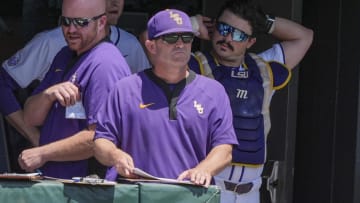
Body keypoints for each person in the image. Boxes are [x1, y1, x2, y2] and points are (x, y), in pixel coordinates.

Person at [93, 8, 238, 187]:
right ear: (151, 46)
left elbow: (224, 149)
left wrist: (205, 169)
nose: (180, 44)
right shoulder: (125, 89)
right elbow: (101, 142)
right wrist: (115, 156)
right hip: (137, 194)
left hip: (189, 195)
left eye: (186, 38)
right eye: (171, 38)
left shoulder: (214, 91)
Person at [0, 0, 149, 171]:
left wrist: (43, 153)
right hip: (57, 181)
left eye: (81, 22)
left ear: (101, 22)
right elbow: (30, 117)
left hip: (85, 187)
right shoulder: (65, 54)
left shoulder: (105, 63)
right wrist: (49, 94)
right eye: (66, 21)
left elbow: (101, 138)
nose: (71, 30)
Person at [188, 0, 313, 202]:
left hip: (251, 192)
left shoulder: (262, 71)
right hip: (206, 187)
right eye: (223, 28)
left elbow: (304, 37)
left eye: (238, 34)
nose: (227, 38)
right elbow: (151, 44)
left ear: (250, 42)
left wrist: (263, 22)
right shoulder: (194, 66)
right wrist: (190, 25)